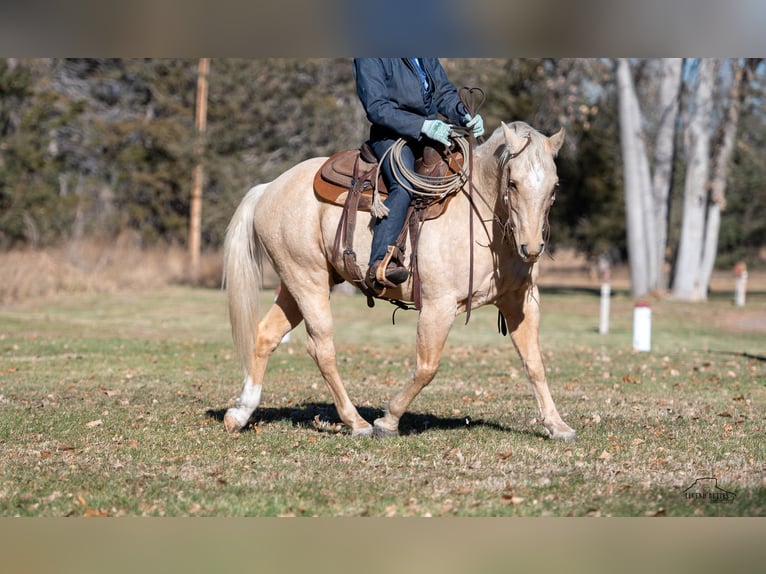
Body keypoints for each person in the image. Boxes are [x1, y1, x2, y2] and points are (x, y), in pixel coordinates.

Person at [353, 58, 485, 293]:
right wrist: (422, 125)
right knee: (403, 185)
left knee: (466, 173)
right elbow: (376, 107)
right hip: (390, 136)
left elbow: (443, 92)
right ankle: (380, 262)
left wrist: (464, 115)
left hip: (431, 134)